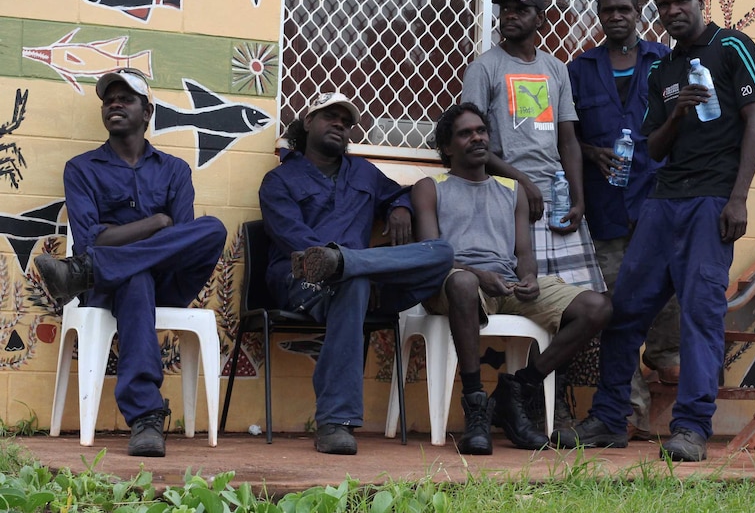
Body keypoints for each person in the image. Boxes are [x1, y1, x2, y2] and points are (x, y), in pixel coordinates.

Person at [573, 0, 755, 462]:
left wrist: (739, 197)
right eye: (664, 5)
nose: (672, 11)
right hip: (662, 202)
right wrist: (679, 112)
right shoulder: (662, 70)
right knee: (623, 313)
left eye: (680, 1)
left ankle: (690, 429)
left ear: (699, 0)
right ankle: (609, 417)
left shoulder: (732, 46)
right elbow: (656, 148)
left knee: (699, 317)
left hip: (712, 201)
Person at [35, 67, 227, 458]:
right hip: (111, 288)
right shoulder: (82, 169)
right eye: (109, 100)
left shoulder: (175, 170)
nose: (114, 105)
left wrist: (116, 244)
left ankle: (85, 271)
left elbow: (182, 242)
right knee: (136, 277)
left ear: (147, 112)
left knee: (213, 229)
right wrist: (157, 222)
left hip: (164, 278)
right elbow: (91, 239)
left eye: (126, 99)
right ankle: (146, 417)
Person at [258, 91, 454, 456]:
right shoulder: (279, 181)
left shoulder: (362, 171)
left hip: (360, 278)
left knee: (441, 252)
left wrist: (400, 208)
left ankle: (350, 266)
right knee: (353, 282)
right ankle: (335, 421)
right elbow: (298, 244)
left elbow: (401, 194)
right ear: (308, 123)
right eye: (330, 117)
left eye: (346, 122)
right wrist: (341, 267)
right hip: (301, 280)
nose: (340, 125)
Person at [413, 103, 611, 453]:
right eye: (465, 133)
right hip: (454, 284)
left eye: (481, 131)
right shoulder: (431, 187)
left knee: (597, 307)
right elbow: (432, 256)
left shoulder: (511, 189)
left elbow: (524, 256)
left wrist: (531, 278)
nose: (477, 138)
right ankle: (475, 406)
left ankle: (517, 389)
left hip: (505, 285)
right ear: (447, 147)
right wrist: (478, 275)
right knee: (462, 283)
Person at [460, 0, 606, 434]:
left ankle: (531, 389)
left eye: (520, 9)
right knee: (525, 303)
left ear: (540, 16)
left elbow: (567, 137)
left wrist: (579, 197)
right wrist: (521, 181)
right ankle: (538, 407)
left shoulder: (555, 69)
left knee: (583, 310)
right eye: (504, 8)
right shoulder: (484, 68)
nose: (510, 16)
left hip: (557, 200)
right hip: (509, 202)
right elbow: (471, 141)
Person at [567, 0, 680, 440]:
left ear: (639, 13)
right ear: (599, 15)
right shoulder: (580, 69)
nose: (616, 16)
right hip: (606, 206)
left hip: (658, 199)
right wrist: (591, 152)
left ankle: (664, 354)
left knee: (666, 291)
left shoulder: (666, 61)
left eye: (624, 9)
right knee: (614, 309)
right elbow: (564, 133)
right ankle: (629, 412)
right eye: (607, 10)